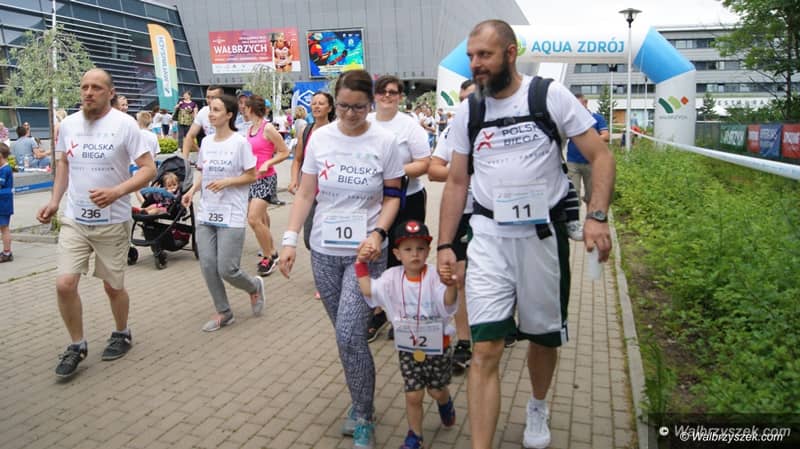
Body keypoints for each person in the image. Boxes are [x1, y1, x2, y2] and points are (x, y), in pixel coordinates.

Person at [436, 21, 615, 449]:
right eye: (471, 56)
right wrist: (444, 244)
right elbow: (457, 182)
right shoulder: (469, 111)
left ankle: (537, 404)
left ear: (511, 53)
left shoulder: (548, 95)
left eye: (485, 55)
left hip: (542, 237)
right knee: (485, 348)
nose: (476, 64)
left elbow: (601, 156)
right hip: (488, 236)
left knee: (542, 335)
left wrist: (597, 216)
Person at [279, 69, 404, 449]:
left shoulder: (385, 141)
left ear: (371, 104)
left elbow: (393, 196)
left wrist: (379, 233)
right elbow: (306, 193)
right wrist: (289, 240)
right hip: (324, 251)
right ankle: (360, 397)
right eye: (344, 107)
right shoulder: (320, 137)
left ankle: (363, 414)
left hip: (366, 253)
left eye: (359, 108)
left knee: (350, 333)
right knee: (346, 337)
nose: (350, 114)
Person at [36, 68, 156, 379]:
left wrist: (117, 192)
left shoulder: (125, 125)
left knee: (112, 287)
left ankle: (122, 332)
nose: (88, 92)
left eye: (96, 88)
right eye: (84, 87)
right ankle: (77, 345)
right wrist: (54, 201)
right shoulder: (68, 125)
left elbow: (148, 169)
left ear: (110, 93)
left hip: (113, 221)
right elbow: (64, 163)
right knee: (64, 284)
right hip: (75, 218)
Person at [355, 219, 458, 449]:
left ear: (428, 251)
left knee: (435, 390)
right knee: (413, 395)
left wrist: (451, 284)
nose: (415, 254)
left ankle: (445, 402)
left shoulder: (434, 277)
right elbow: (368, 290)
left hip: (437, 347)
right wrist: (360, 263)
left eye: (420, 248)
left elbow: (448, 302)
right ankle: (415, 436)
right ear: (397, 253)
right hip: (408, 348)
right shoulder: (391, 277)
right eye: (408, 249)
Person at [181, 94, 265, 332]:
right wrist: (192, 191)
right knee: (208, 266)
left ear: (229, 115)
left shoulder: (240, 143)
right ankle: (224, 312)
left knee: (227, 268)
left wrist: (228, 182)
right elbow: (204, 173)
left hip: (231, 213)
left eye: (216, 110)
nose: (211, 114)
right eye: (210, 109)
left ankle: (253, 287)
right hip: (207, 212)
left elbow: (252, 175)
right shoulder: (207, 142)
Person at [366, 75, 431, 342]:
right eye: (382, 92)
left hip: (408, 200)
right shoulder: (366, 122)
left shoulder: (409, 126)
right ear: (374, 96)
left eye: (393, 92)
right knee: (377, 255)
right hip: (373, 202)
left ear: (400, 97)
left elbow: (424, 163)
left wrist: (393, 172)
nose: (387, 96)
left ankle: (403, 313)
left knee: (404, 255)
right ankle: (379, 311)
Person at [428, 79, 477, 374]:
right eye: (463, 98)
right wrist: (462, 172)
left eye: (472, 97)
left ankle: (505, 323)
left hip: (497, 215)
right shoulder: (453, 130)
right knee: (459, 278)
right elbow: (433, 170)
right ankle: (464, 341)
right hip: (463, 212)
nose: (466, 103)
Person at [243, 94, 290, 276]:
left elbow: (284, 151)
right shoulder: (250, 129)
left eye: (245, 107)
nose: (243, 110)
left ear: (251, 108)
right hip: (252, 178)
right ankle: (269, 250)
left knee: (253, 218)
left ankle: (270, 256)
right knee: (260, 218)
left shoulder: (267, 127)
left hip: (266, 178)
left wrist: (268, 163)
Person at [288, 91, 335, 252]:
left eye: (321, 103)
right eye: (314, 103)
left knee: (329, 235)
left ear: (330, 108)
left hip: (330, 192)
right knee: (309, 238)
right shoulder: (306, 130)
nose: (316, 106)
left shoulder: (337, 131)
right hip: (309, 191)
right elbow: (297, 159)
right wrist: (294, 180)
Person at [567, 93, 609, 210]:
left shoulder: (597, 118)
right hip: (573, 161)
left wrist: (589, 140)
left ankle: (589, 218)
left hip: (592, 162)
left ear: (585, 103)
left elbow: (606, 136)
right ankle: (576, 219)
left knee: (591, 195)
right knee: (573, 194)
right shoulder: (570, 120)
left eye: (578, 105)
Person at [181, 85, 224, 160]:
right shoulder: (203, 112)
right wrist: (184, 161)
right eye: (208, 97)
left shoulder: (229, 112)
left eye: (213, 97)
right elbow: (190, 136)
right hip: (210, 155)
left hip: (226, 153)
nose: (209, 100)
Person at [0, 143, 13, 262]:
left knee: (4, 228)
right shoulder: (3, 169)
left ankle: (7, 253)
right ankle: (6, 251)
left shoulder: (5, 170)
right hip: (3, 202)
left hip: (3, 204)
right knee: (3, 228)